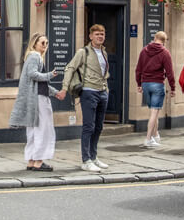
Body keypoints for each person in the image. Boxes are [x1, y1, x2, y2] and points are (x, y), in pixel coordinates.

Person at [8, 34, 64, 171]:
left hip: (36, 97)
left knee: (33, 130)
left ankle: (32, 161)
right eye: (42, 42)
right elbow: (33, 74)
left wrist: (55, 92)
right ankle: (39, 161)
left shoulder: (33, 57)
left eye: (47, 43)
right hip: (39, 99)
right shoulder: (35, 56)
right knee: (44, 129)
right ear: (35, 44)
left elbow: (39, 82)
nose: (45, 45)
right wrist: (51, 74)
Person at [63, 24, 111, 172]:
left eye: (102, 34)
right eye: (97, 34)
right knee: (88, 127)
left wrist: (106, 90)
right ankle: (86, 160)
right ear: (90, 36)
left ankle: (94, 157)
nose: (100, 36)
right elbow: (70, 68)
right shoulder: (83, 52)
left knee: (98, 126)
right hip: (89, 91)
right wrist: (65, 88)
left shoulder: (104, 52)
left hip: (103, 92)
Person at [135, 30, 174, 148]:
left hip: (146, 84)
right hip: (157, 83)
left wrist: (139, 84)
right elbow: (170, 72)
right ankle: (148, 138)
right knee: (154, 112)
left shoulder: (144, 51)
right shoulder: (165, 53)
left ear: (155, 38)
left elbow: (138, 69)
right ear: (164, 41)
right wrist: (173, 87)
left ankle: (156, 135)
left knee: (153, 111)